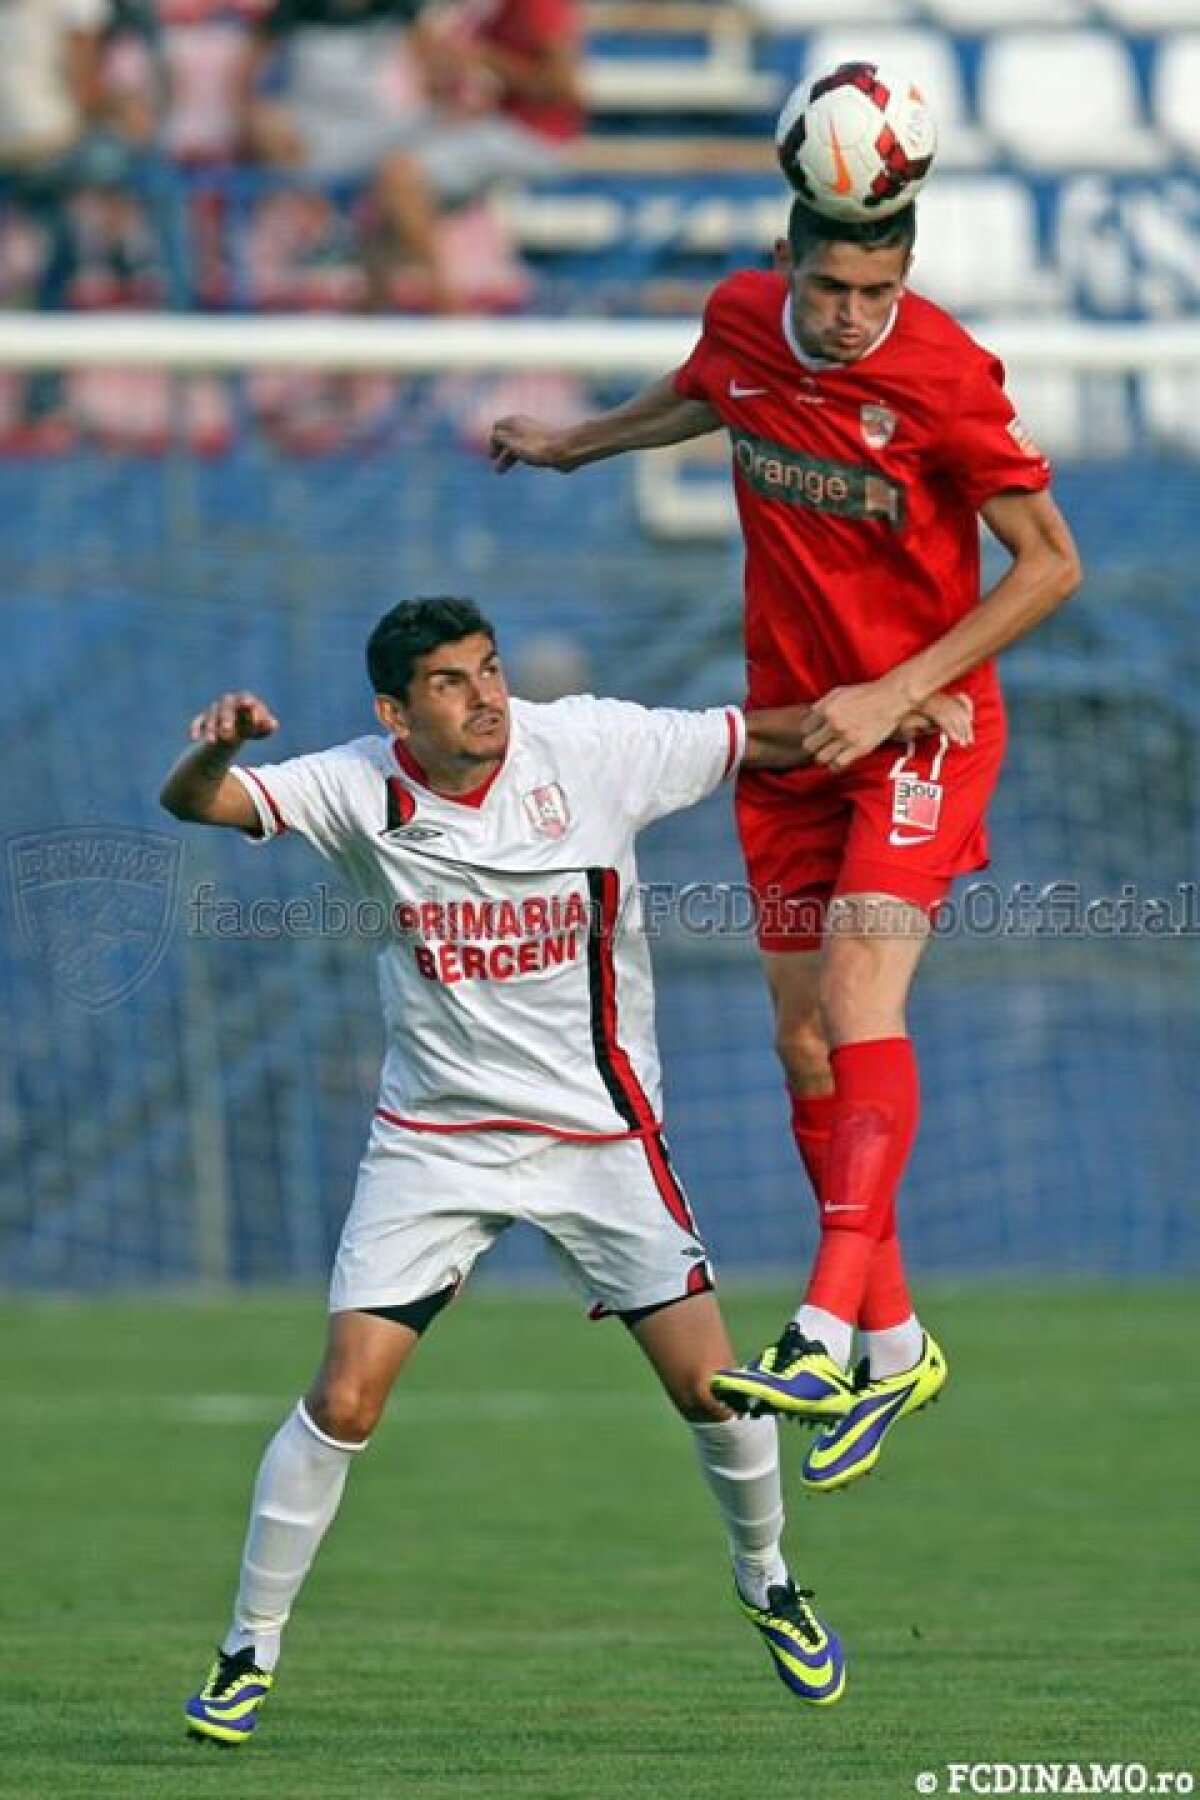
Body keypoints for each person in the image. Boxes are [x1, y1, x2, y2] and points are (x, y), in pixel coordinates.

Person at [164, 598, 968, 1740]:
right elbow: (196, 801)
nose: (484, 695)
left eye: (488, 669)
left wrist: (892, 710)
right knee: (344, 1396)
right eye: (450, 682)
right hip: (434, 1144)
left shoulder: (588, 746)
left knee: (713, 1389)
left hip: (600, 1140)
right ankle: (248, 1650)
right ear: (396, 712)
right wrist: (222, 745)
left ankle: (771, 1583)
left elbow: (757, 735)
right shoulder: (353, 783)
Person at [489, 197, 1083, 1495]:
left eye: (875, 291)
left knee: (865, 994)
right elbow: (709, 389)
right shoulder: (743, 325)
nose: (851, 314)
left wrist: (898, 688)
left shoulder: (942, 371)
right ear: (787, 268)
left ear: (904, 277)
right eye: (830, 289)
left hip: (923, 725)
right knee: (804, 1036)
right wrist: (578, 446)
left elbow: (1050, 566)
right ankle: (895, 1337)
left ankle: (819, 1327)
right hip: (795, 733)